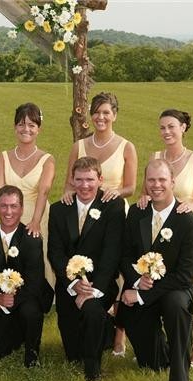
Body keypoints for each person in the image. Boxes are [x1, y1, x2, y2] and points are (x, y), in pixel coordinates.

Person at [137, 109, 193, 366]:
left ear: (183, 127)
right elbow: (149, 190)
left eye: (171, 127)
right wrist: (143, 197)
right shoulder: (155, 157)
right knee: (159, 279)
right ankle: (156, 341)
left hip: (188, 227)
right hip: (159, 228)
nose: (166, 132)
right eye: (162, 127)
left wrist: (192, 204)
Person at [117, 158, 193, 381]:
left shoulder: (188, 222)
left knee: (175, 306)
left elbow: (186, 275)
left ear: (173, 182)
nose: (157, 185)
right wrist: (135, 281)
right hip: (142, 286)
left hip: (177, 288)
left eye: (162, 179)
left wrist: (143, 294)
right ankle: (162, 354)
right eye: (151, 180)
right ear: (145, 182)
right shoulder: (136, 212)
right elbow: (125, 255)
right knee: (150, 364)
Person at [62, 92, 138, 357]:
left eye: (106, 112)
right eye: (96, 112)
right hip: (84, 215)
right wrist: (70, 193)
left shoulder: (126, 146)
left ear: (115, 114)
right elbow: (69, 183)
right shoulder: (79, 146)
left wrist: (112, 190)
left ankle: (119, 336)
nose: (101, 117)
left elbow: (131, 186)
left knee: (117, 273)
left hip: (115, 213)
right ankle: (91, 323)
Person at [48, 157, 125, 381]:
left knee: (92, 311)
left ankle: (93, 370)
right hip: (69, 284)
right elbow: (56, 253)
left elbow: (113, 251)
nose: (84, 186)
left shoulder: (113, 206)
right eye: (79, 180)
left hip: (100, 283)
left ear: (100, 179)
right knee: (73, 355)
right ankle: (105, 332)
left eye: (90, 180)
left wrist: (93, 289)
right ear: (72, 180)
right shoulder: (59, 209)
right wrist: (74, 285)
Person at [0, 185, 53, 367]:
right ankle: (16, 335)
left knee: (30, 312)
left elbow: (34, 281)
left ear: (22, 209)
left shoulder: (31, 238)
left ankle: (32, 353)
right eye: (3, 206)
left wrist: (4, 302)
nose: (8, 212)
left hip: (28, 296)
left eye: (14, 206)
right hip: (0, 297)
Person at [0, 102, 56, 288]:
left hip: (36, 212)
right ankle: (7, 286)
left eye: (32, 125)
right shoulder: (3, 157)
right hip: (9, 212)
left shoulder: (47, 159)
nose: (26, 129)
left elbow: (44, 191)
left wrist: (36, 221)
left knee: (38, 252)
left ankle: (40, 292)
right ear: (15, 127)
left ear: (39, 129)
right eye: (21, 124)